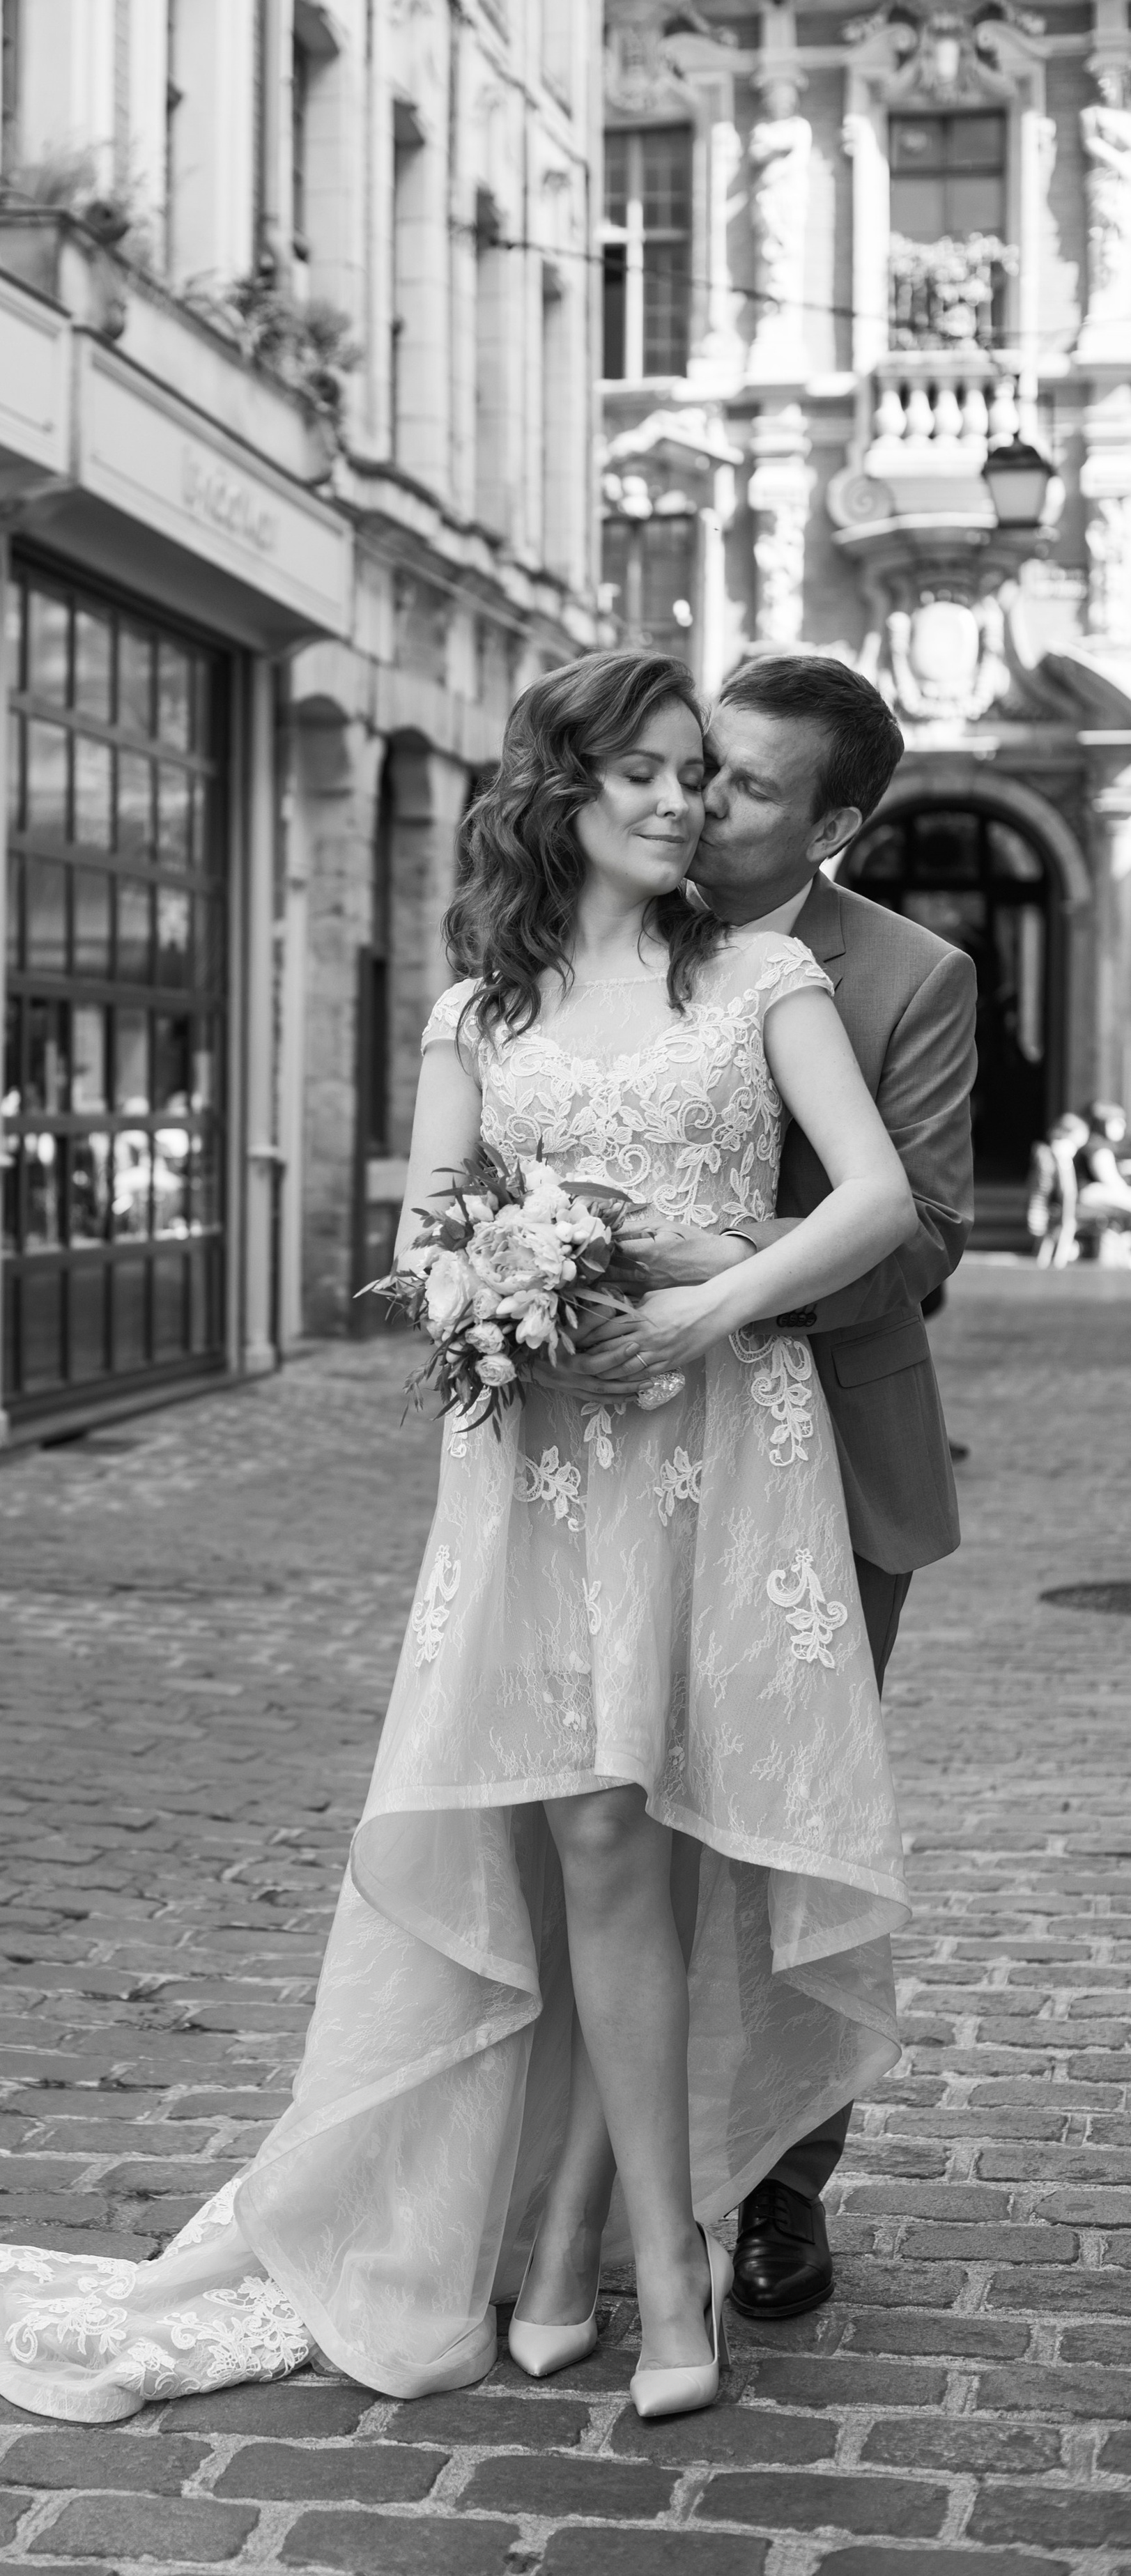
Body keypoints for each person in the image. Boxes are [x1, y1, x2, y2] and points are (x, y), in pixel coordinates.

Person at [0, 649, 915, 2425]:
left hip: (715, 1445)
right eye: (644, 770)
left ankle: (625, 2255)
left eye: (696, 773)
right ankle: (624, 2252)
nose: (679, 801)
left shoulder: (761, 978)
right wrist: (509, 1290)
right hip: (539, 1460)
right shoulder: (474, 1012)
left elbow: (877, 1200)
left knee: (651, 1838)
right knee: (587, 1834)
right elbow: (422, 1246)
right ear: (558, 788)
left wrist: (703, 1298)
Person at [600, 654, 976, 2320]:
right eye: (699, 763)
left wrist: (724, 1261)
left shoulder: (908, 972)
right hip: (615, 1443)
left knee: (779, 1831)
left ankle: (778, 2183)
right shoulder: (604, 923)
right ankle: (593, 2168)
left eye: (745, 786)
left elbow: (930, 1231)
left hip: (825, 1447)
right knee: (604, 1819)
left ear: (829, 825)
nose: (697, 800)